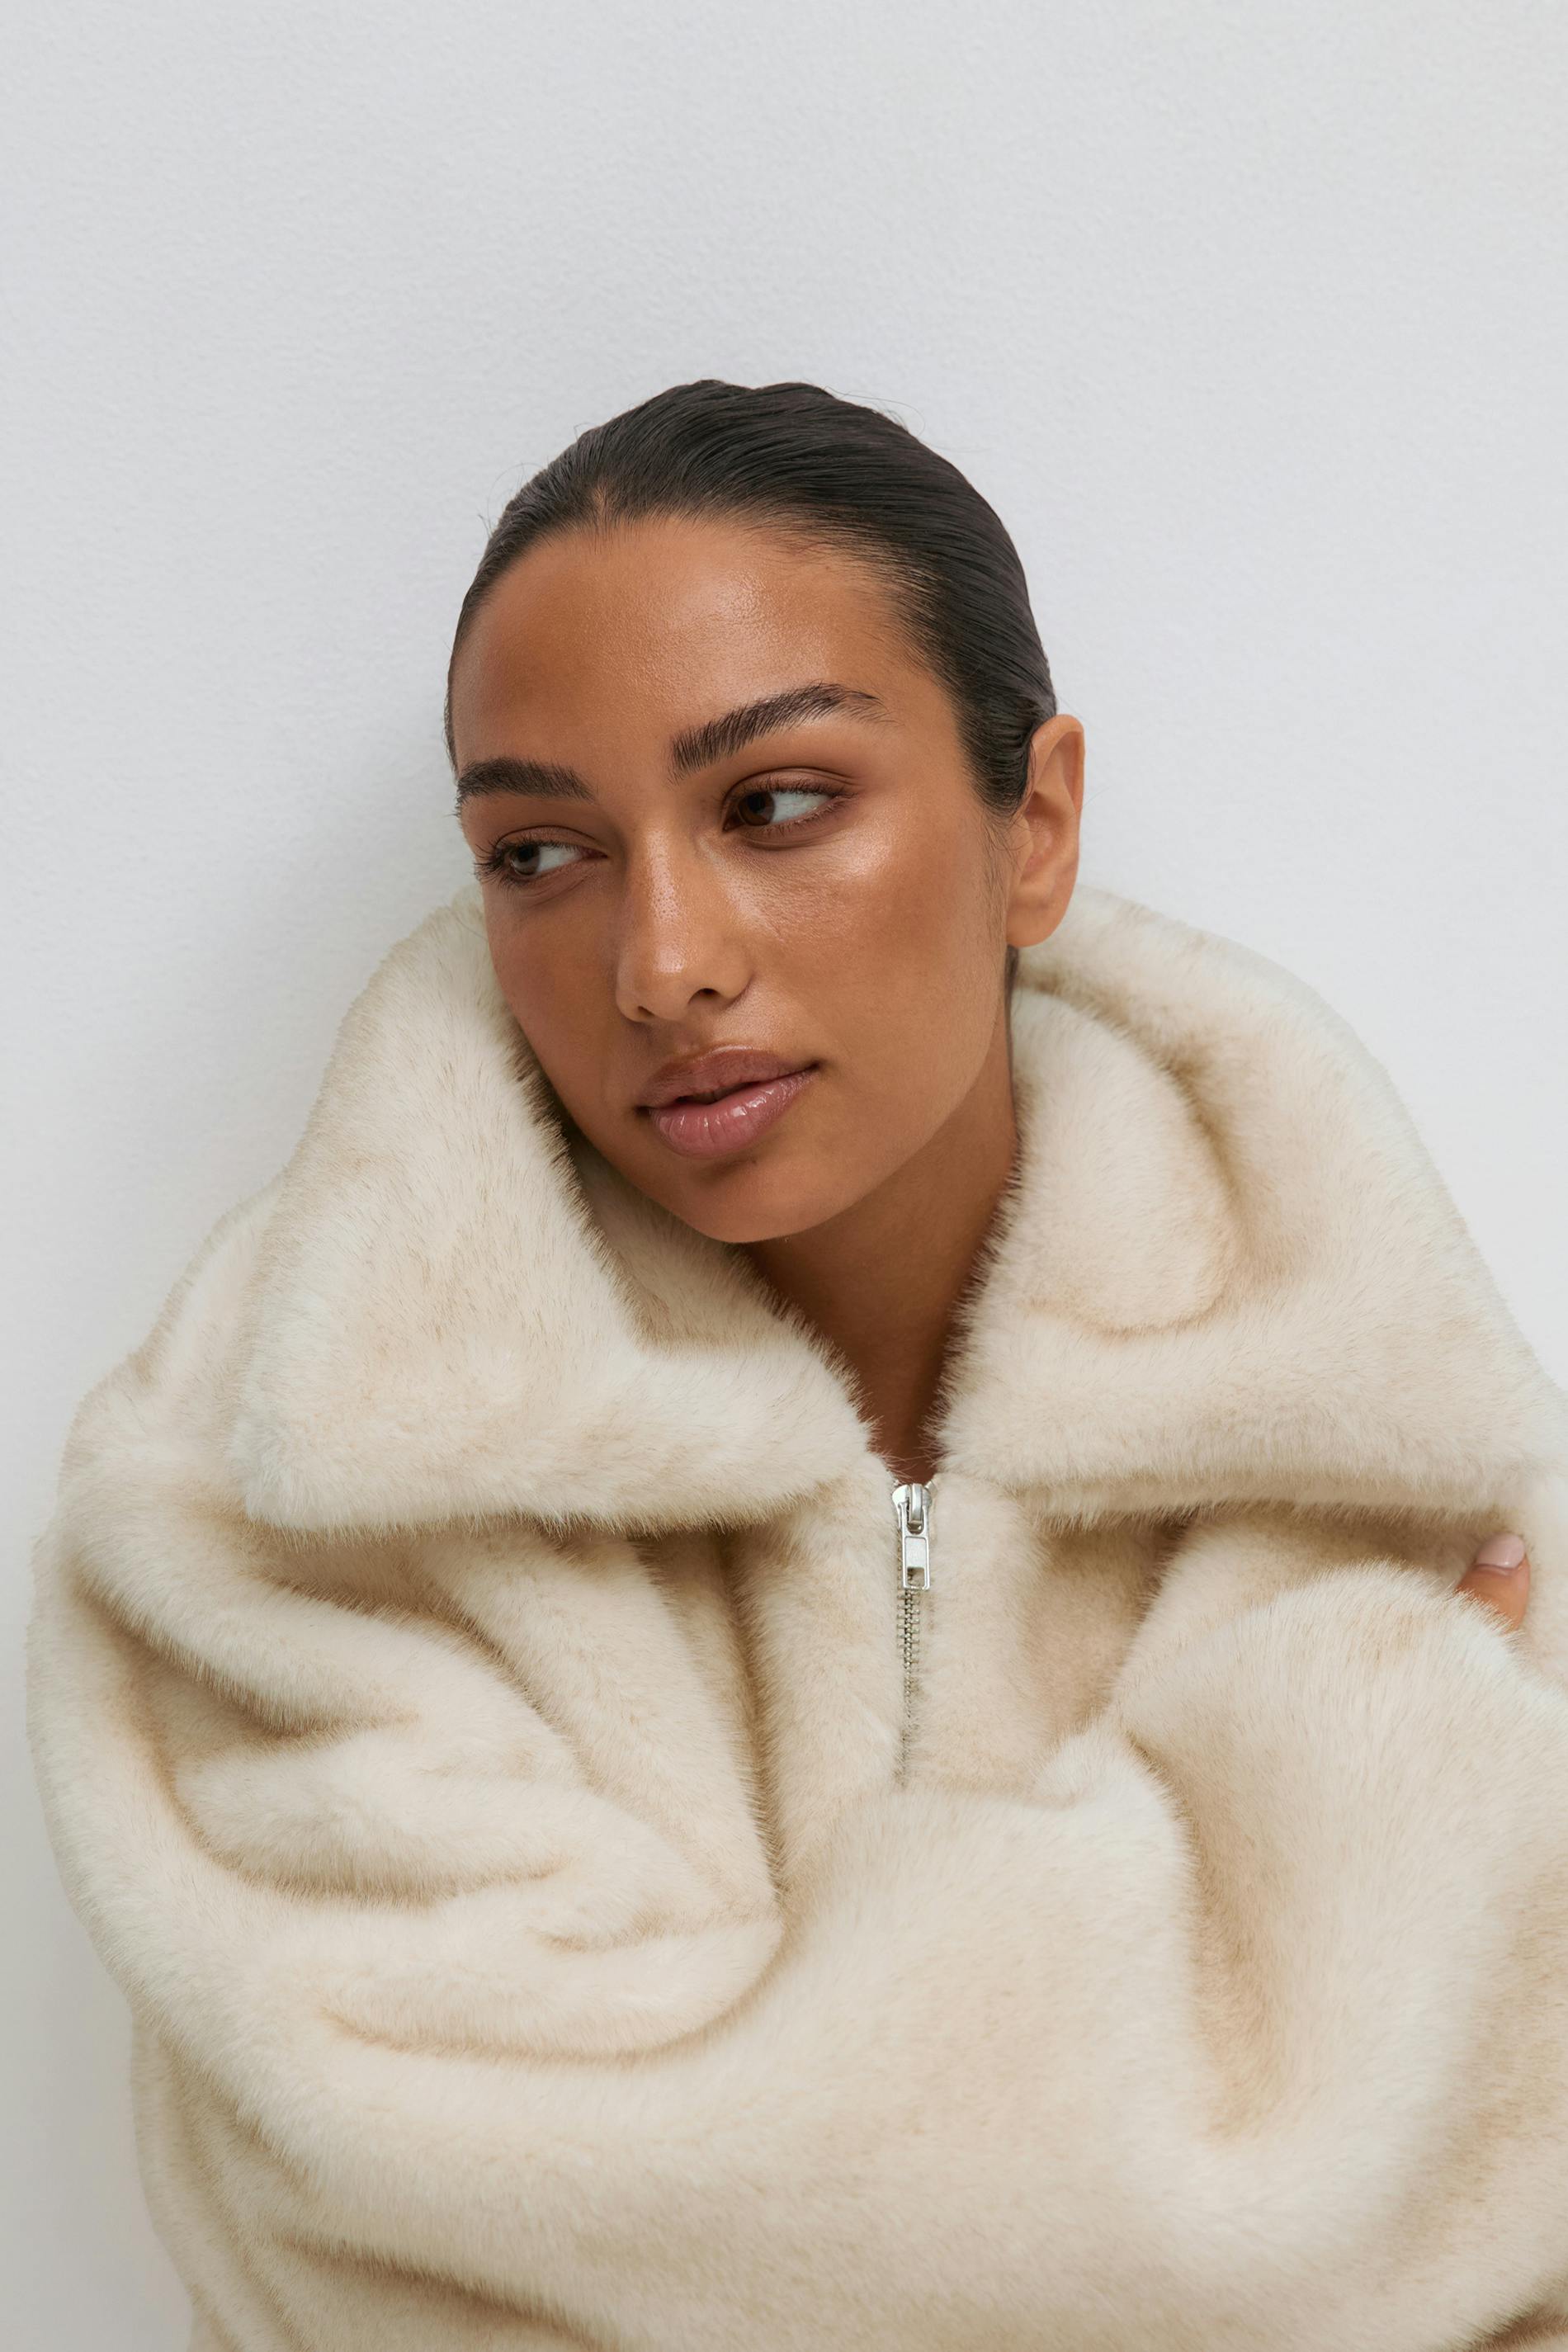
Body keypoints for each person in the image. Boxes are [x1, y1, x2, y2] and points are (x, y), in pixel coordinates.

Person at [26, 378, 1568, 2352]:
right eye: (540, 852)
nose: (659, 959)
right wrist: (1348, 1825)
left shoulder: (1396, 1455)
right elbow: (403, 2247)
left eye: (771, 806)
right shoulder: (277, 1497)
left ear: (1034, 828)